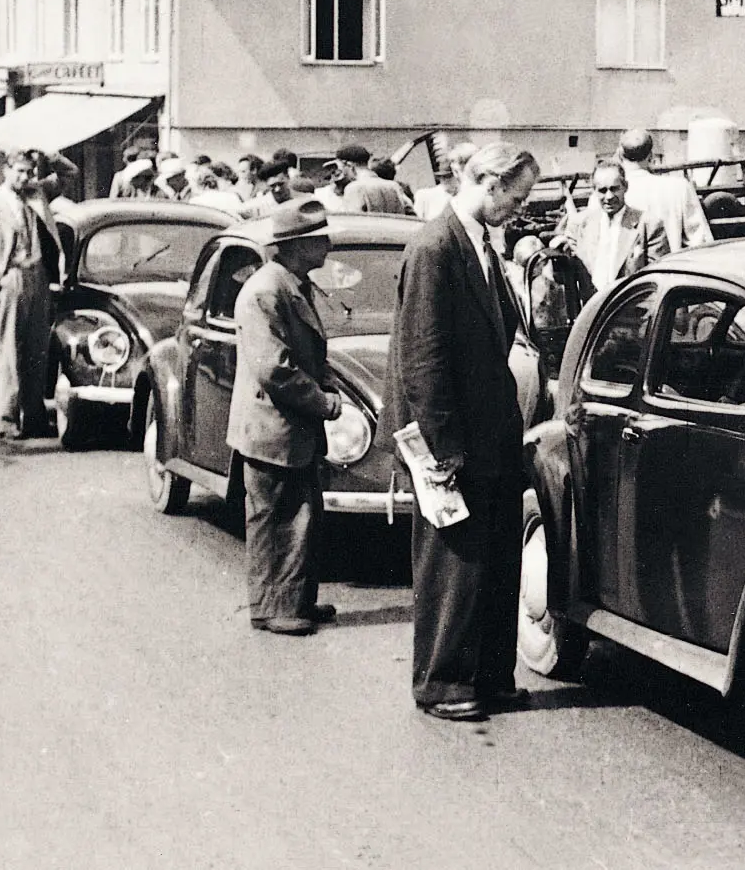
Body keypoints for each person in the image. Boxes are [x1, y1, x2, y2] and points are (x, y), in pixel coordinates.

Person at [386, 142, 541, 721]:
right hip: (452, 444)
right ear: (489, 183)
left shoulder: (480, 245)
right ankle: (443, 681)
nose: (519, 212)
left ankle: (489, 674)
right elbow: (423, 359)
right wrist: (442, 449)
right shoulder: (434, 248)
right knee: (454, 564)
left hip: (490, 437)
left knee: (496, 562)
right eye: (517, 198)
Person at [227, 199, 350, 635]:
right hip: (272, 427)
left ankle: (294, 600)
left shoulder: (288, 283)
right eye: (320, 239)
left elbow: (308, 355)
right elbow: (274, 368)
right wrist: (323, 402)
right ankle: (273, 607)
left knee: (300, 514)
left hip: (286, 427)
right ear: (296, 246)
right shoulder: (266, 290)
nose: (329, 245)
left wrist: (327, 387)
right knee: (278, 518)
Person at [0, 150, 59, 442]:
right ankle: (6, 419)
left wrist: (50, 155)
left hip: (38, 277)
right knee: (8, 352)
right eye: (19, 172)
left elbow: (68, 175)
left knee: (37, 350)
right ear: (5, 171)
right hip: (12, 276)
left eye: (29, 172)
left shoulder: (36, 195)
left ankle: (34, 417)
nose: (25, 177)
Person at [552, 159, 667, 296]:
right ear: (594, 191)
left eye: (614, 188)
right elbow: (566, 277)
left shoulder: (649, 225)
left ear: (626, 187)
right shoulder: (579, 225)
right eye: (602, 190)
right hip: (592, 312)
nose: (609, 196)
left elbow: (657, 281)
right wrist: (558, 254)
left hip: (632, 312)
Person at [618, 128, 713, 252]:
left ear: (620, 155)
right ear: (651, 156)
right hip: (666, 267)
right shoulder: (679, 187)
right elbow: (700, 241)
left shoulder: (607, 193)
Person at [337, 144, 412, 214]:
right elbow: (411, 214)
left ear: (349, 165)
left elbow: (353, 221)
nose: (342, 173)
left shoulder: (353, 188)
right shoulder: (394, 186)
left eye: (342, 168)